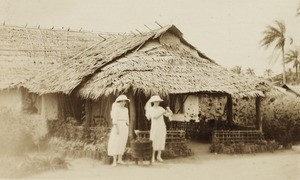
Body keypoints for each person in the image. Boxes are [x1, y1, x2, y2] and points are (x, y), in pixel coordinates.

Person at [145, 95, 173, 163]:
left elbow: (170, 114)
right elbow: (154, 117)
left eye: (158, 101)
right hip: (155, 126)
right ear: (153, 102)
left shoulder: (161, 108)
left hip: (161, 126)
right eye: (156, 102)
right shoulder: (151, 109)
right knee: (154, 140)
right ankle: (153, 157)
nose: (157, 103)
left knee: (161, 139)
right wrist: (162, 113)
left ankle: (159, 156)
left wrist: (169, 109)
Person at [107, 95, 130, 166]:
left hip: (124, 126)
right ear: (119, 102)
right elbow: (115, 120)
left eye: (124, 101)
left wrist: (127, 127)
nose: (123, 103)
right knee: (116, 142)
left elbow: (127, 120)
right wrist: (117, 129)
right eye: (121, 101)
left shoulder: (126, 109)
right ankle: (114, 161)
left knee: (122, 142)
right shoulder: (116, 109)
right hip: (117, 126)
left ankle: (120, 159)